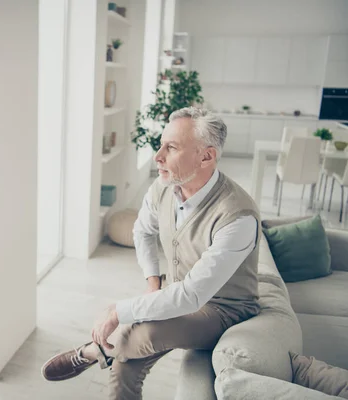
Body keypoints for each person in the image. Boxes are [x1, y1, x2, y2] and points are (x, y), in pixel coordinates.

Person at [41, 107, 262, 399]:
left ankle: (93, 351)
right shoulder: (164, 187)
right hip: (178, 291)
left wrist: (116, 310)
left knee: (145, 334)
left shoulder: (237, 216)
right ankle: (107, 354)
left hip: (222, 309)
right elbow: (142, 231)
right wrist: (152, 282)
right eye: (161, 144)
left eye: (171, 148)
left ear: (206, 156)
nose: (158, 156)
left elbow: (192, 297)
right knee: (123, 367)